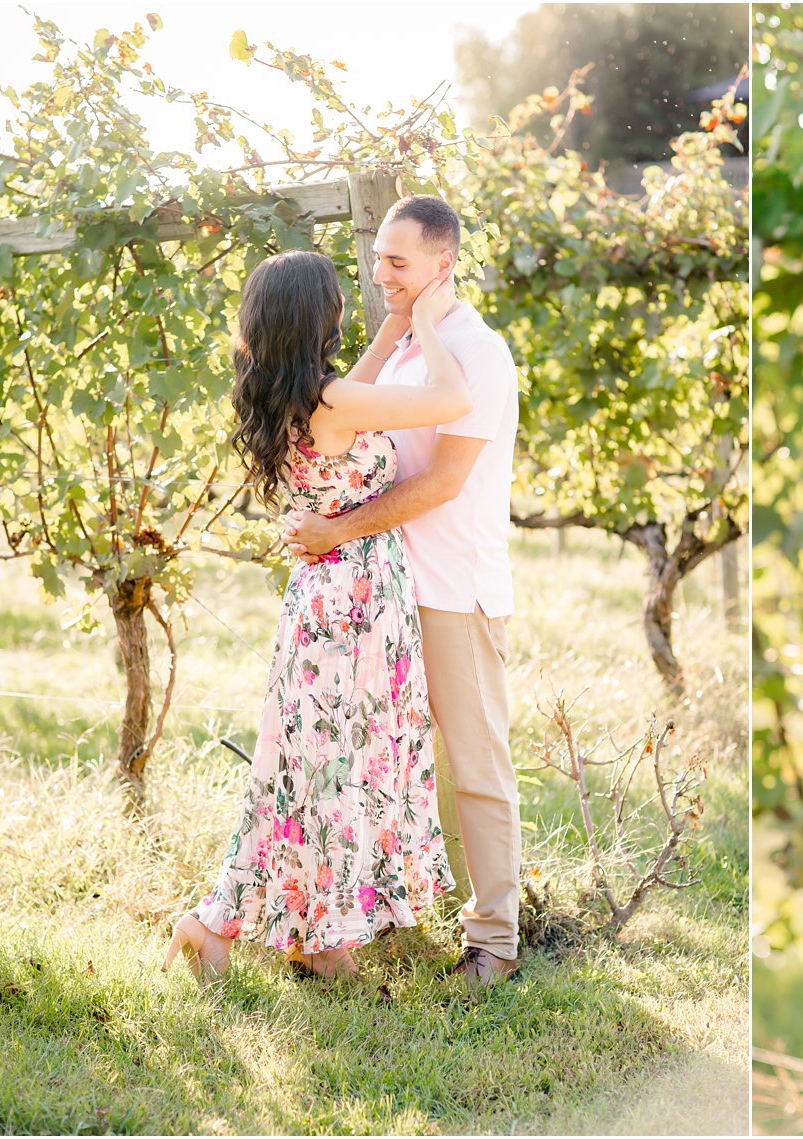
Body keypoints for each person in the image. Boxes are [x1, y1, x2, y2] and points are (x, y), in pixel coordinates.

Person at [163, 247, 466, 982]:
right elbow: (453, 400)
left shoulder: (292, 392)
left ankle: (297, 930)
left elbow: (351, 397)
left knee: (312, 769)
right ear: (318, 317)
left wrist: (391, 330)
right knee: (336, 768)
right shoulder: (333, 403)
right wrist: (426, 321)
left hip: (325, 598)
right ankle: (254, 925)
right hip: (354, 604)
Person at [281, 195, 524, 990]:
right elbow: (339, 425)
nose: (379, 272)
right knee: (393, 759)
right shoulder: (411, 349)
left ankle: (494, 940)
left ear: (442, 265)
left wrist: (338, 531)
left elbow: (447, 481)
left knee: (474, 763)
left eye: (397, 262)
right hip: (380, 594)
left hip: (451, 584)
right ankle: (400, 908)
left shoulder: (476, 355)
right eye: (378, 257)